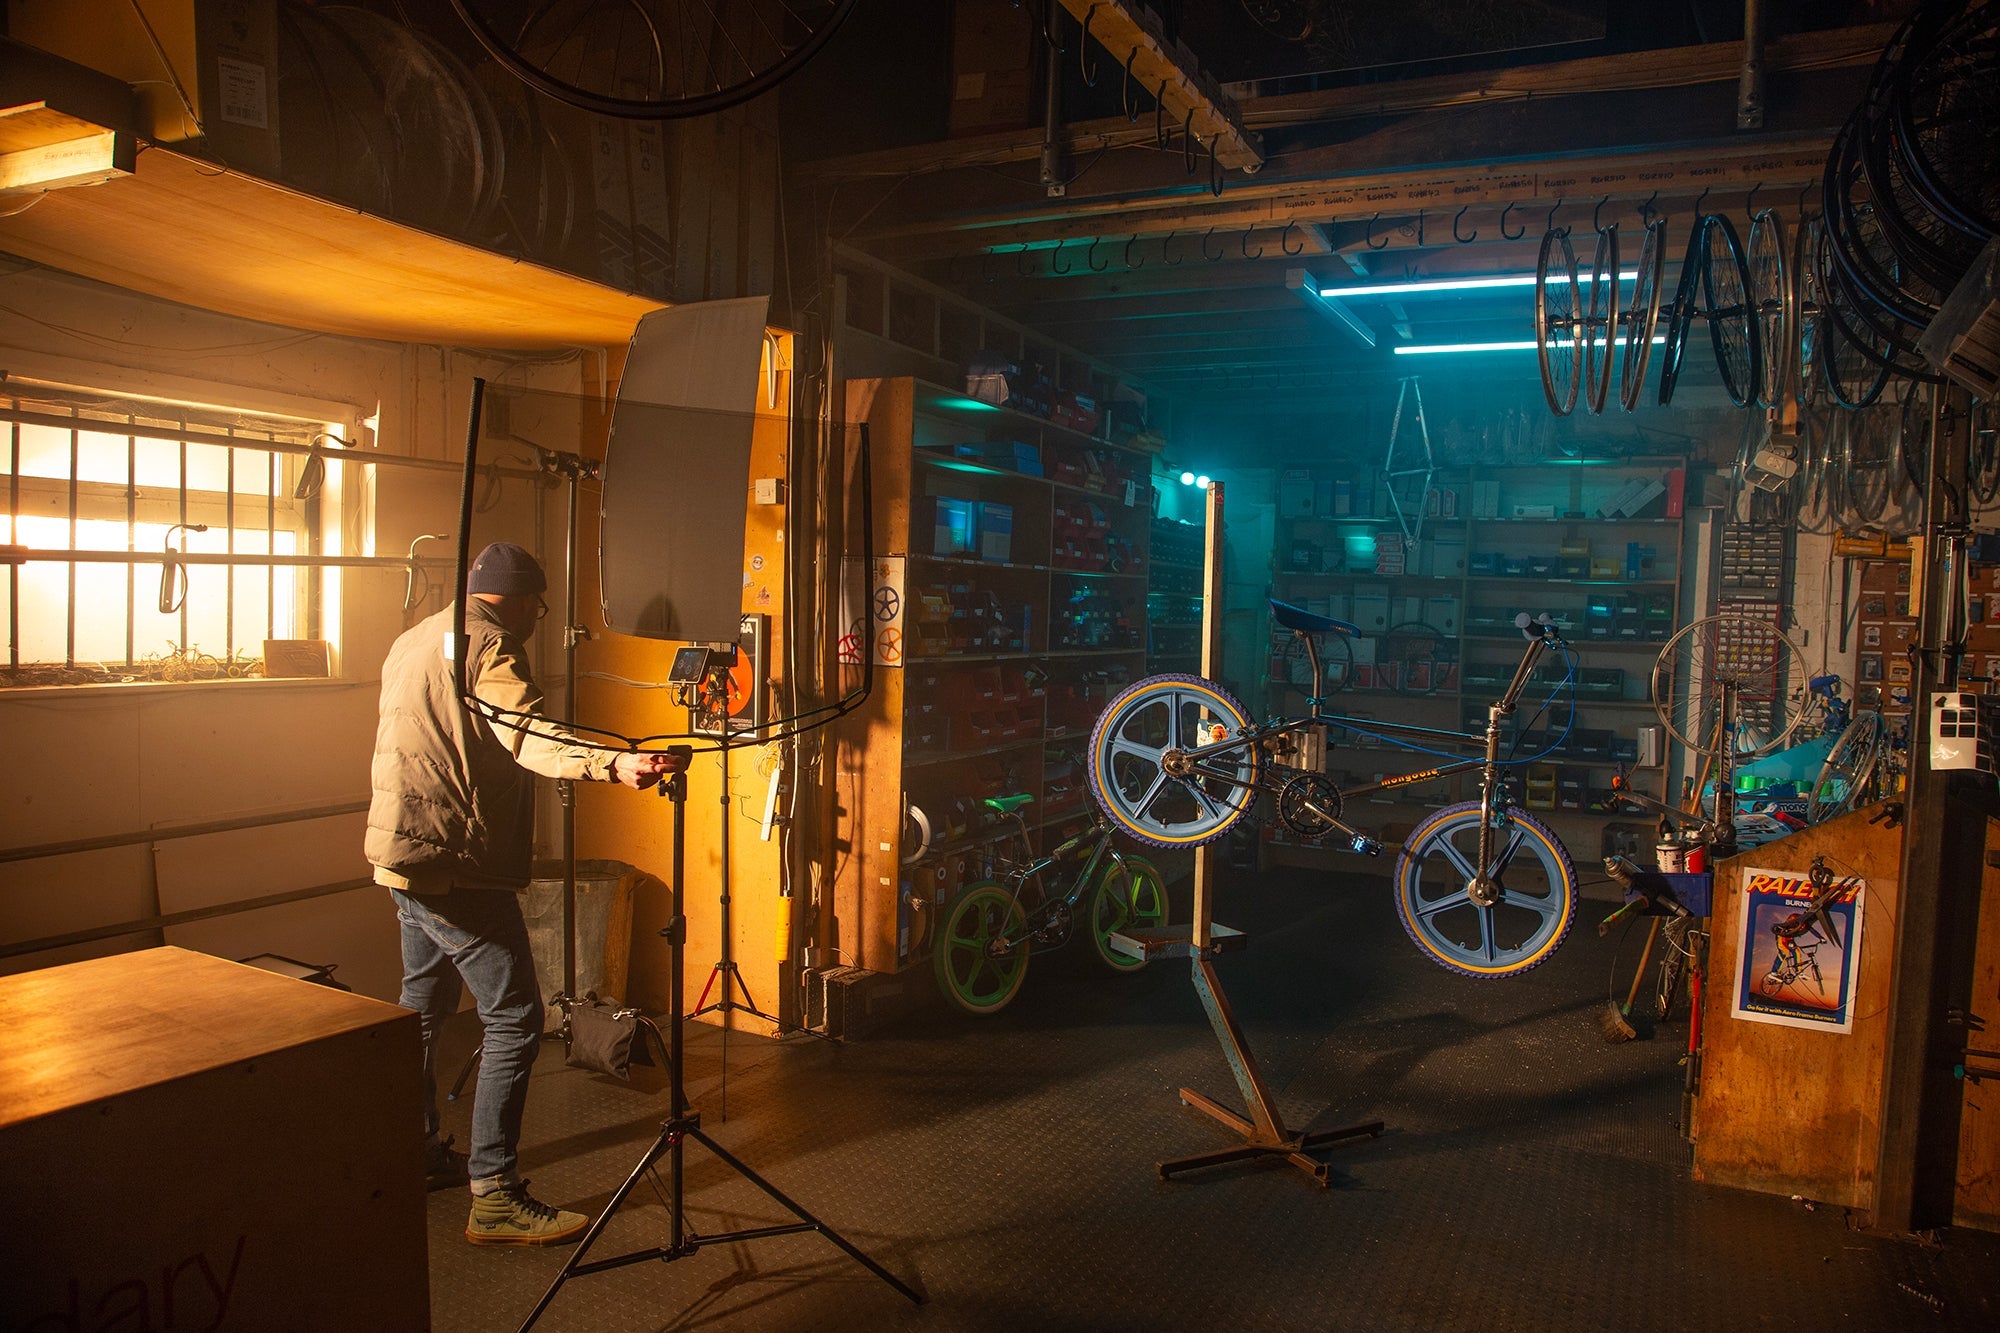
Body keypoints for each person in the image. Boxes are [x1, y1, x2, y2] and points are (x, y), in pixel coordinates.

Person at [366, 541, 683, 1246]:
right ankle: (496, 1194)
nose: (539, 618)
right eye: (537, 604)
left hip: (401, 853)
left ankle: (413, 1149)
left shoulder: (416, 636)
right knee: (514, 1016)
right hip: (455, 866)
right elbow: (529, 733)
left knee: (423, 1005)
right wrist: (613, 763)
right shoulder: (490, 646)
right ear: (515, 598)